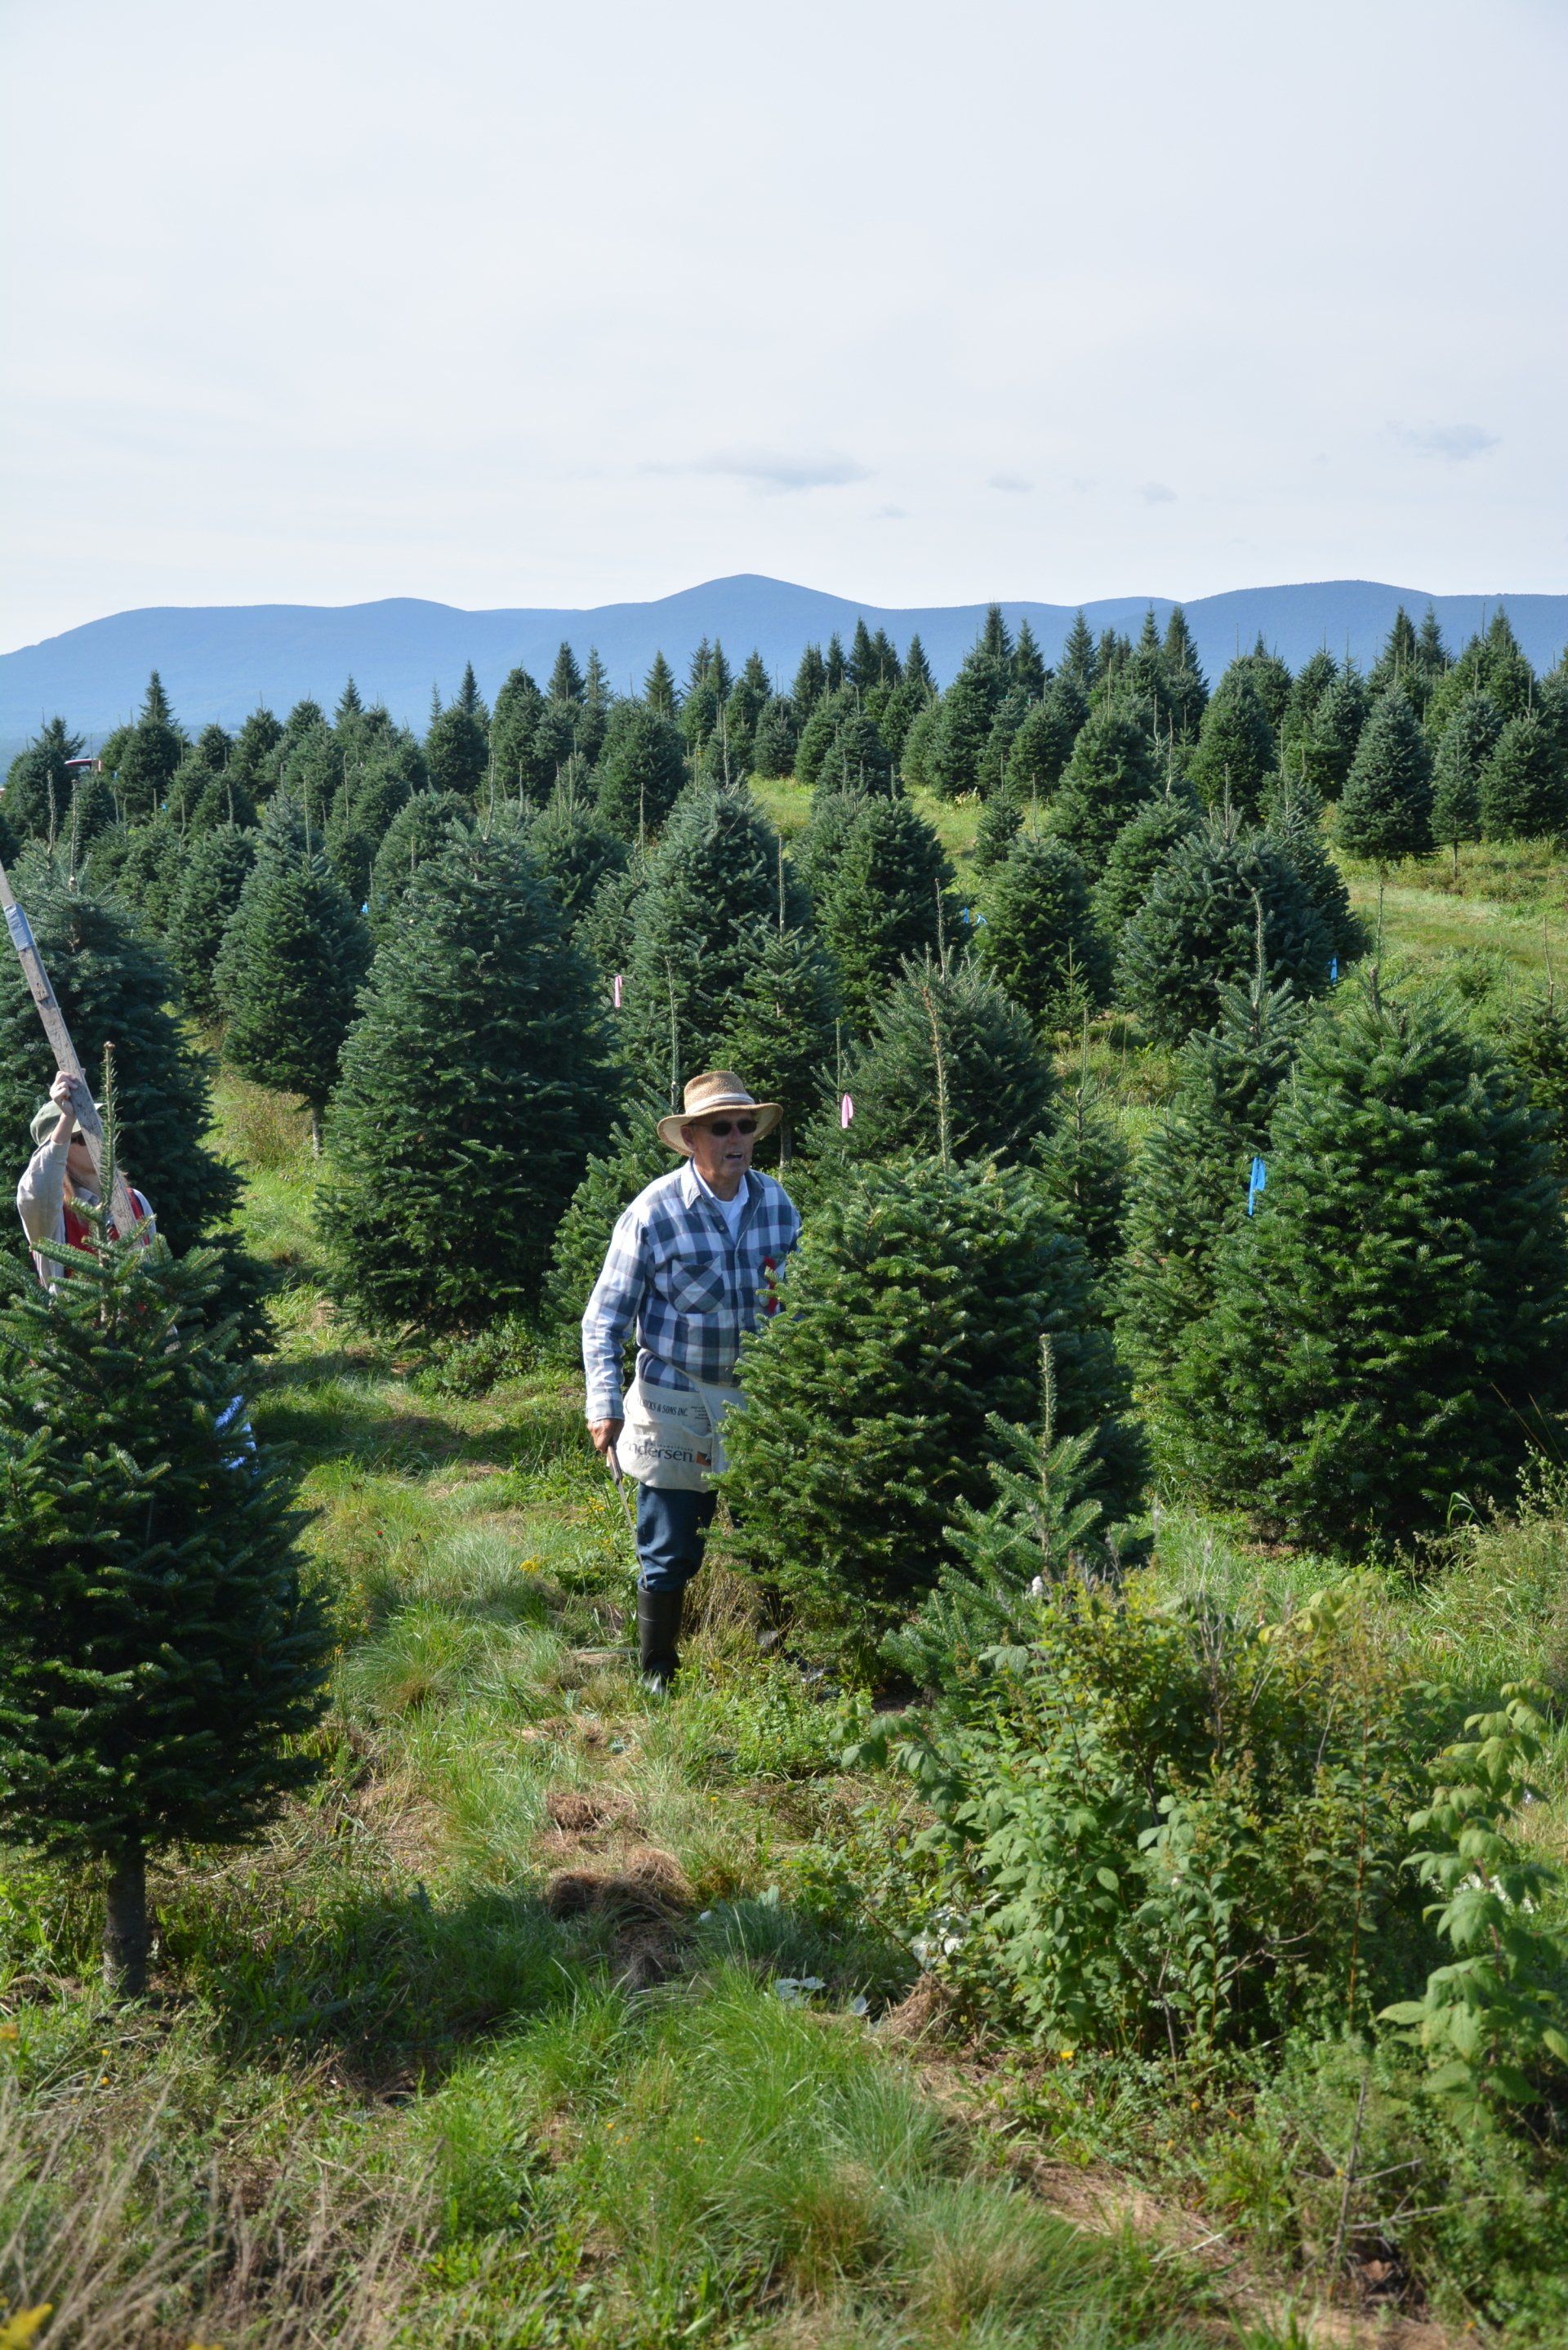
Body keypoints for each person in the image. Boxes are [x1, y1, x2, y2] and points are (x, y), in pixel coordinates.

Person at [582, 1070, 800, 1687]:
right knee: (670, 1537)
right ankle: (658, 1666)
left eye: (745, 1126)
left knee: (768, 1534)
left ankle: (777, 1649)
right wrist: (604, 1404)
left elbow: (804, 1299)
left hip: (757, 1394)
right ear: (691, 1139)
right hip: (673, 1393)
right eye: (721, 1127)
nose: (737, 1138)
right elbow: (603, 1319)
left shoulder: (777, 1205)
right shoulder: (654, 1212)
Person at [17, 1068, 153, 1284]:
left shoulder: (136, 1201)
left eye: (97, 1128)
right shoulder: (51, 1218)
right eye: (81, 1136)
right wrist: (67, 1119)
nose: (95, 1140)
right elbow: (34, 1192)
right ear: (61, 1155)